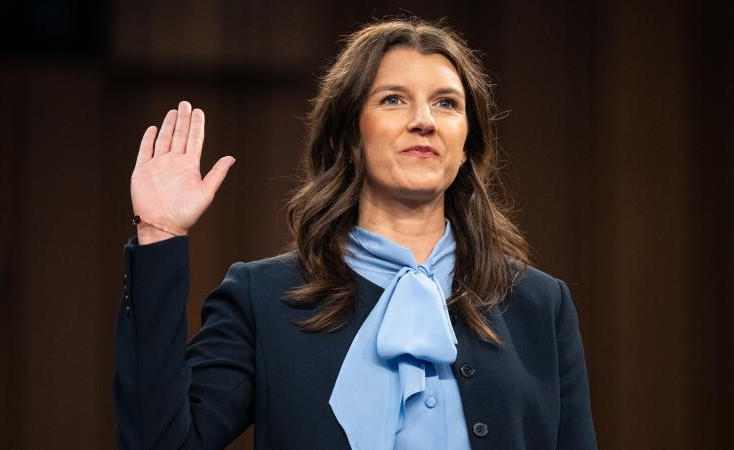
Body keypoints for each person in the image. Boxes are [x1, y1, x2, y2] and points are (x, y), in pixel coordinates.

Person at [114, 17, 597, 450]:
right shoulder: (263, 299)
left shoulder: (540, 305)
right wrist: (160, 233)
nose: (424, 121)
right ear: (346, 137)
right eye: (393, 99)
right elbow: (159, 441)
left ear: (467, 143)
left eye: (446, 103)